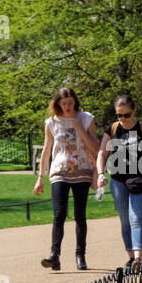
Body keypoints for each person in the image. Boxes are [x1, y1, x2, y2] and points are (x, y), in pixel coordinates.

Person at [95, 95, 142, 273]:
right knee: (125, 221)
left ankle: (138, 258)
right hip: (118, 181)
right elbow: (101, 154)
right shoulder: (112, 129)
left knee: (136, 218)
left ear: (133, 111)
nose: (122, 119)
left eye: (126, 115)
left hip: (141, 180)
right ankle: (130, 258)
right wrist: (100, 174)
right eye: (119, 115)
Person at [34, 86, 100, 271]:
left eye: (70, 103)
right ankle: (54, 255)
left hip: (82, 170)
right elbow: (47, 151)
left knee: (80, 214)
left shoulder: (86, 118)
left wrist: (80, 128)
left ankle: (80, 255)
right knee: (59, 214)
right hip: (59, 171)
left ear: (75, 102)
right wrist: (40, 178)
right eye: (63, 103)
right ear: (58, 103)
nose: (67, 106)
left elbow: (95, 147)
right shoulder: (52, 122)